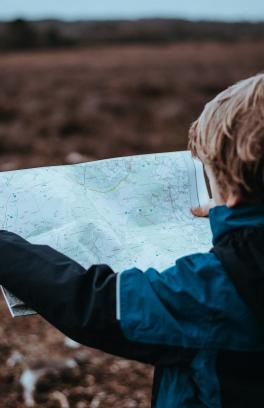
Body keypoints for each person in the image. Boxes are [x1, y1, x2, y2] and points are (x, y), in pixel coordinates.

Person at [0, 73, 264, 408]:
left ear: (236, 192)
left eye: (213, 176)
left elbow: (97, 306)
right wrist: (233, 215)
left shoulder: (218, 289)